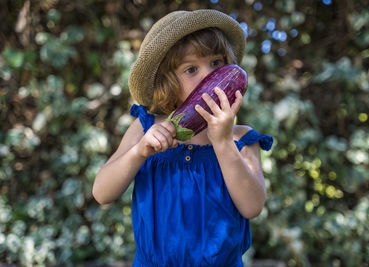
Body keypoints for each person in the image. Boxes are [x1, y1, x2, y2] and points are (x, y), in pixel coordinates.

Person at [92, 9, 273, 267]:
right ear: (167, 82)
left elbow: (252, 206)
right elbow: (102, 192)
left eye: (216, 63)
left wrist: (223, 143)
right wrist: (139, 152)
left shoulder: (241, 137)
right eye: (191, 69)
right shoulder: (146, 130)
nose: (207, 76)